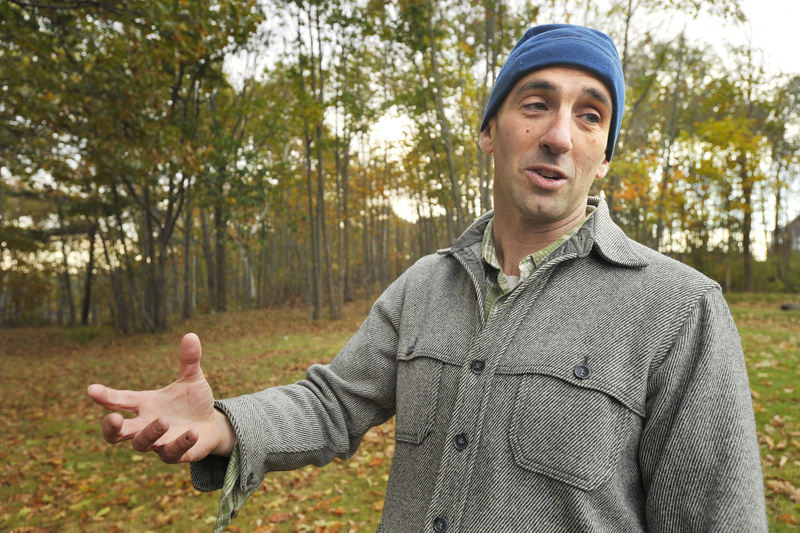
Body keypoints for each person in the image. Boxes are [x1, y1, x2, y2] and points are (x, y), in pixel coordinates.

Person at [88, 23, 768, 532]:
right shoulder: (424, 286)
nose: (560, 134)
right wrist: (226, 422)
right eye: (536, 104)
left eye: (590, 115)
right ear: (489, 130)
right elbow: (332, 403)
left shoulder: (679, 310)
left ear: (603, 154)